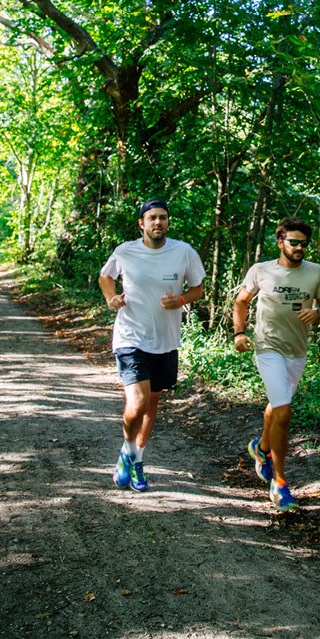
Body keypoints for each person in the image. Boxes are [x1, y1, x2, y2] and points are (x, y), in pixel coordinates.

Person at [98, 199, 207, 491]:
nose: (158, 222)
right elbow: (106, 276)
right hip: (130, 336)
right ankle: (127, 450)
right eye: (152, 218)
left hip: (166, 340)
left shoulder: (183, 252)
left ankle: (136, 459)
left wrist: (181, 299)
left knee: (153, 403)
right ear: (141, 224)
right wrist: (111, 297)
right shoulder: (125, 251)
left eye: (162, 217)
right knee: (138, 401)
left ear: (167, 222)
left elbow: (198, 288)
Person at [232, 219, 320, 513]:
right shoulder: (261, 270)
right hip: (268, 348)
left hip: (297, 350)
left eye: (304, 243)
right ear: (280, 242)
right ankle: (279, 483)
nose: (299, 247)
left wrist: (319, 314)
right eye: (294, 242)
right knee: (285, 411)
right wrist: (239, 332)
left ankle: (261, 448)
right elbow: (241, 302)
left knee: (279, 405)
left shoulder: (314, 272)